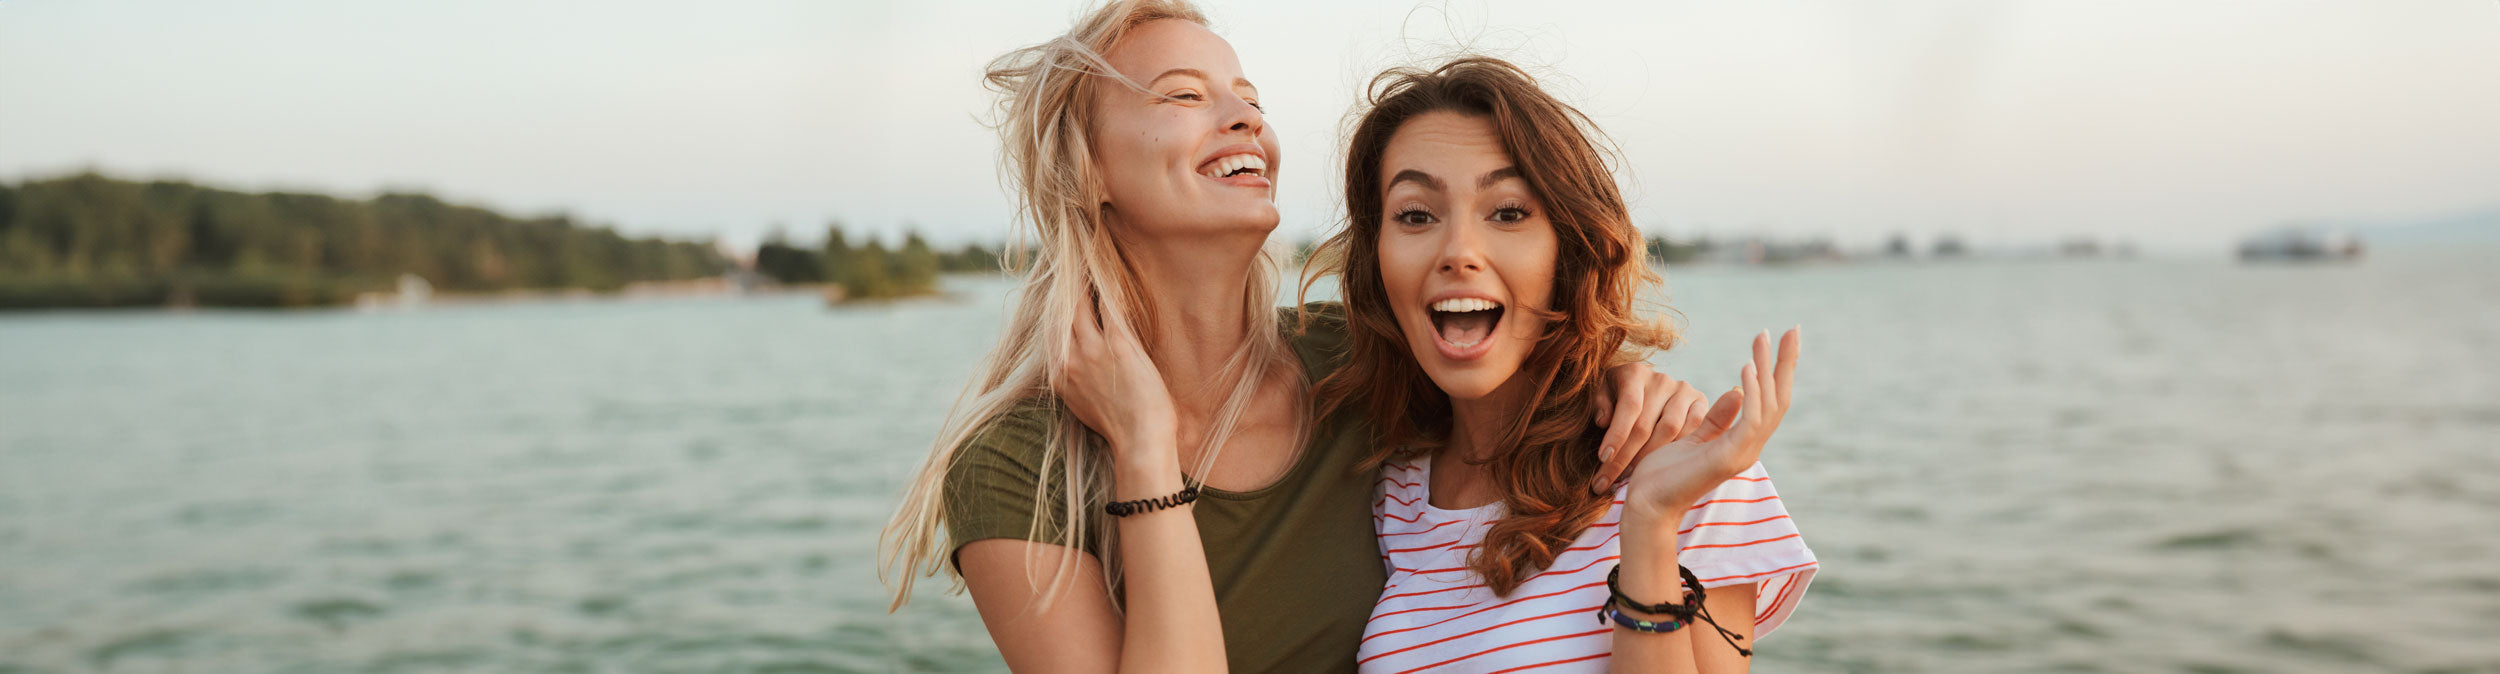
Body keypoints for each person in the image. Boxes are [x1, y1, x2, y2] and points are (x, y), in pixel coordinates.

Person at [879, 3, 1712, 672]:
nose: (1244, 117)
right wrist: (1143, 448)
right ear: (1086, 169)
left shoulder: (1353, 362)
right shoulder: (1018, 465)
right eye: (1183, 95)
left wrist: (1614, 382)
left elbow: (1507, 366)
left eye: (1249, 97)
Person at [1303, 56, 1819, 672]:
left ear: (1566, 249)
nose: (1459, 252)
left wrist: (1650, 523)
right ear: (1378, 257)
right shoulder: (1391, 494)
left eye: (1508, 212)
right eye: (1416, 215)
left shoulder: (1694, 468)